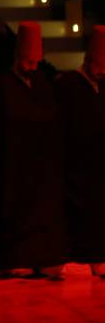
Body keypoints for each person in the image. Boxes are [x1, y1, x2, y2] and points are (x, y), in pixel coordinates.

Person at [0, 22, 67, 280]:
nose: (32, 67)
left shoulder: (42, 83)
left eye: (36, 62)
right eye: (28, 61)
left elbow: (51, 117)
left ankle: (44, 260)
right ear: (17, 56)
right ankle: (18, 260)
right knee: (18, 212)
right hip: (15, 162)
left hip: (41, 162)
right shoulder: (3, 84)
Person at [55, 26, 105, 279]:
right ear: (88, 59)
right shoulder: (70, 85)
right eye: (99, 65)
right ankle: (82, 256)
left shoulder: (102, 85)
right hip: (78, 164)